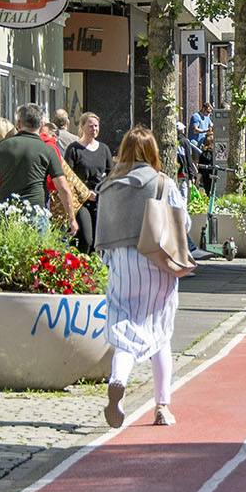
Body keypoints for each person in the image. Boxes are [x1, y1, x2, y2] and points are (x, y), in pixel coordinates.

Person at [97, 126, 188, 428]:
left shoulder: (109, 184)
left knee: (125, 329)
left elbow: (102, 229)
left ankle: (118, 380)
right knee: (160, 331)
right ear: (152, 153)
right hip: (156, 260)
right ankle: (162, 406)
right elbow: (182, 222)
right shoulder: (161, 183)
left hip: (121, 262)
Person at [0, 103, 74, 229]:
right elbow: (63, 187)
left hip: (7, 212)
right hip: (36, 212)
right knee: (37, 249)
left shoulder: (2, 147)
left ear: (18, 124)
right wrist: (71, 218)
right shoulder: (48, 150)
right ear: (42, 125)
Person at [64, 112, 116, 251]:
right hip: (80, 201)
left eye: (96, 126)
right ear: (82, 127)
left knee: (97, 242)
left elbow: (111, 174)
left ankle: (94, 270)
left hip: (99, 199)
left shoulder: (104, 149)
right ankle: (81, 266)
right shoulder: (74, 149)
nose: (94, 129)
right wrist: (86, 193)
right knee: (86, 239)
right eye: (90, 126)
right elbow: (68, 176)